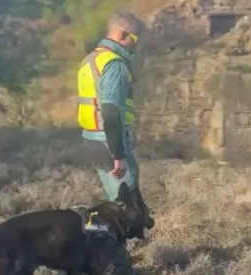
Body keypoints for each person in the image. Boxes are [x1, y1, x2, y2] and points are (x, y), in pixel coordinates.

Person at [76, 11, 152, 274]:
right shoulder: (114, 64)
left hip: (93, 138)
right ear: (122, 35)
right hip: (109, 142)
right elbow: (110, 111)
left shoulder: (91, 60)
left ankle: (101, 258)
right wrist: (118, 153)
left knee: (116, 204)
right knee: (122, 211)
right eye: (134, 39)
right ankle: (113, 265)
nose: (135, 45)